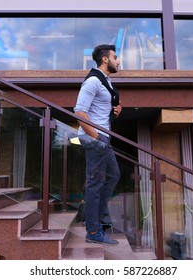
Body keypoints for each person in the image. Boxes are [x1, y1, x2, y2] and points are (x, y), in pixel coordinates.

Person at [74, 44, 122, 245]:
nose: (118, 61)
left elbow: (99, 111)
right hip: (96, 139)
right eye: (115, 57)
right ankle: (93, 231)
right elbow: (79, 112)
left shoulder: (106, 82)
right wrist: (97, 137)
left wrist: (115, 112)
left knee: (113, 175)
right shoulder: (93, 80)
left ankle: (96, 217)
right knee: (95, 183)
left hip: (103, 138)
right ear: (105, 59)